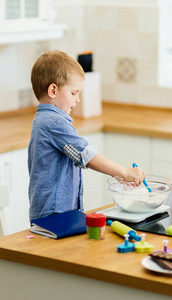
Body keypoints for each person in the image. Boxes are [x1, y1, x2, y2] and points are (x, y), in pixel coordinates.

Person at [28, 50, 145, 221]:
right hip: (54, 214)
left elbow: (78, 155)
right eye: (73, 93)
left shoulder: (44, 119)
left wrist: (117, 174)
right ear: (53, 90)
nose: (78, 100)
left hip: (52, 211)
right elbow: (85, 155)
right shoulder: (54, 122)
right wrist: (124, 171)